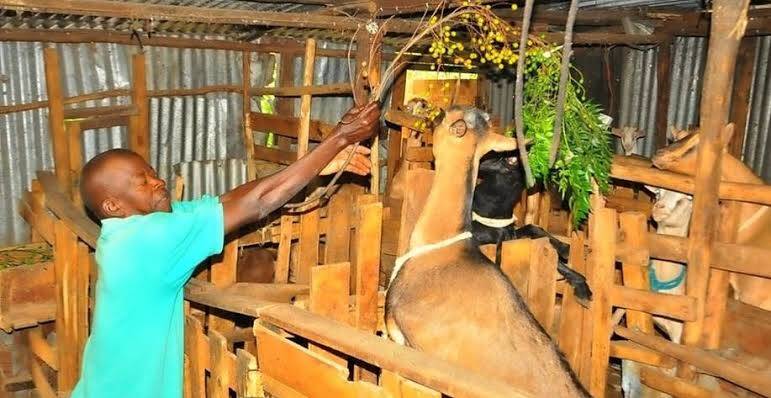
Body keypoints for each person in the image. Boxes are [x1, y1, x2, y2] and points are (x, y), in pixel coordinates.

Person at [70, 101, 381, 398]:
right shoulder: (150, 239)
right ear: (113, 204)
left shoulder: (126, 234)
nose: (158, 181)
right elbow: (256, 203)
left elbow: (224, 202)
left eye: (153, 172)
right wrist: (340, 138)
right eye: (143, 182)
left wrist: (317, 164)